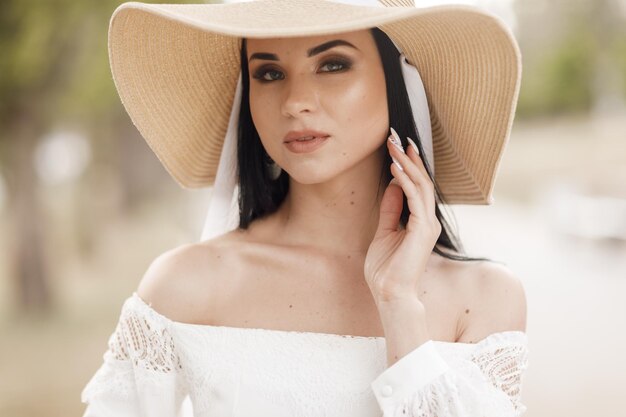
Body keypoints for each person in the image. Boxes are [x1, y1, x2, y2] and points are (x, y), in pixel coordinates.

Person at [81, 0, 529, 416]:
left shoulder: (484, 301)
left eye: (332, 64)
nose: (295, 102)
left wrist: (399, 306)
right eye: (269, 73)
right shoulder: (184, 286)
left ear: (399, 83)